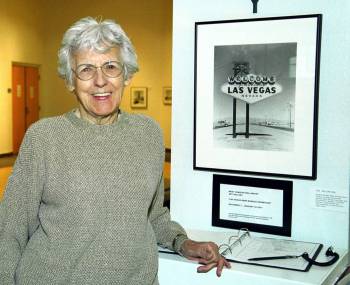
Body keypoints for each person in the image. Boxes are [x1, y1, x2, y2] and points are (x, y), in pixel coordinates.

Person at [0, 17, 230, 284]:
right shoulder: (44, 138)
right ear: (70, 81)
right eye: (86, 69)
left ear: (127, 74)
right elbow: (9, 231)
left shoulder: (149, 134)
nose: (100, 81)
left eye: (111, 67)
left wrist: (183, 243)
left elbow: (152, 214)